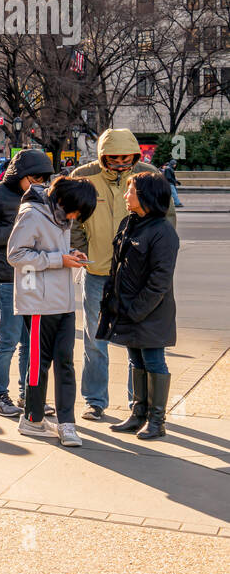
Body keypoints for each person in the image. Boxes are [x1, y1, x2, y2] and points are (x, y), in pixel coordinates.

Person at [68, 128, 175, 420]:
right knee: (94, 339)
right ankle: (95, 400)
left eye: (126, 158)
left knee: (136, 341)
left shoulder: (148, 176)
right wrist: (80, 250)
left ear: (136, 155)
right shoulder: (84, 175)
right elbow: (75, 219)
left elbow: (167, 219)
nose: (120, 164)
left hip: (134, 274)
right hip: (97, 269)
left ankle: (138, 406)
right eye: (113, 159)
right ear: (103, 156)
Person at [6, 176, 98, 447]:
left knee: (65, 362)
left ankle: (67, 423)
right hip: (37, 303)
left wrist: (69, 254)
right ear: (63, 200)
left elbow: (48, 251)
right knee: (39, 365)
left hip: (63, 301)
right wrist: (59, 259)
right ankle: (32, 419)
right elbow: (16, 255)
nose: (76, 217)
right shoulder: (33, 214)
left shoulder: (60, 217)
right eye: (76, 211)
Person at [99, 172, 180, 440]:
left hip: (150, 311)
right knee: (135, 360)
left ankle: (157, 421)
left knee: (154, 361)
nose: (126, 195)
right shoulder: (130, 223)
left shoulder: (163, 231)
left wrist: (136, 311)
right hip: (127, 308)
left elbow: (160, 281)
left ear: (145, 195)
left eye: (130, 190)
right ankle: (138, 414)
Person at [0, 148, 51, 417]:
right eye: (35, 178)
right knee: (8, 338)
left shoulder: (39, 197)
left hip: (31, 274)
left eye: (43, 179)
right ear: (21, 175)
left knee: (30, 342)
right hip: (7, 277)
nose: (39, 184)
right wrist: (18, 232)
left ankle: (27, 392)